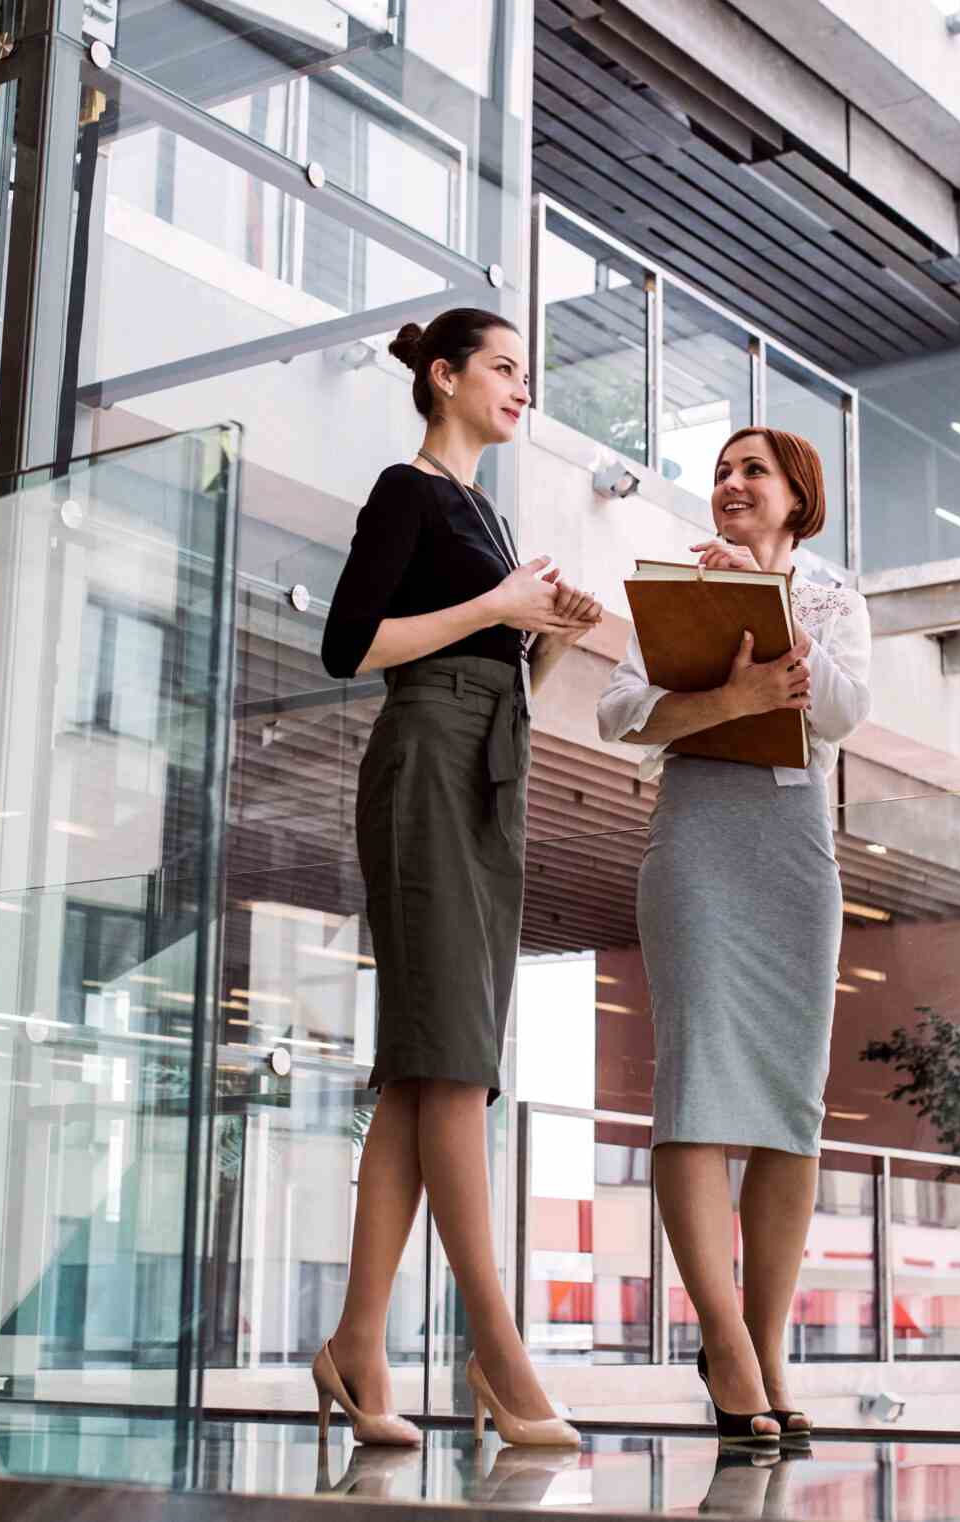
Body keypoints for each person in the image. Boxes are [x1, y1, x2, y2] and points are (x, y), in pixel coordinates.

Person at [314, 307, 606, 1450]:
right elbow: (350, 645)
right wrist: (498, 605)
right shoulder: (409, 488)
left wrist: (552, 636)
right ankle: (497, 1345)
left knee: (424, 1067)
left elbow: (489, 652)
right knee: (451, 1066)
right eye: (501, 367)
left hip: (487, 760)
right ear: (443, 378)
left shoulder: (485, 509)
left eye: (523, 373)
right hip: (429, 757)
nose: (520, 387)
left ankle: (355, 1342)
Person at [595, 426, 872, 1448]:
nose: (729, 485)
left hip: (795, 850)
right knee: (699, 1084)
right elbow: (618, 711)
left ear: (798, 494)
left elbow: (841, 711)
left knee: (792, 1104)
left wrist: (770, 593)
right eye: (719, 472)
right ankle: (724, 1345)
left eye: (751, 470)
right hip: (700, 845)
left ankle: (766, 1344)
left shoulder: (835, 596)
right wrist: (730, 697)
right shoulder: (677, 588)